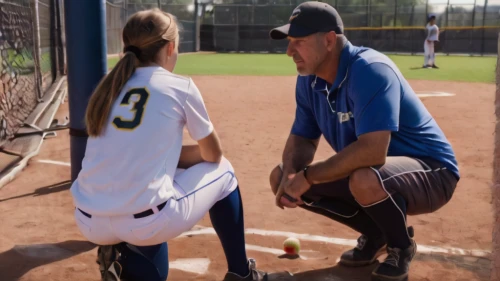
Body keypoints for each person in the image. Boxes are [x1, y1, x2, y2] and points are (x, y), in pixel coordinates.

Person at [70, 9, 271, 281]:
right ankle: (241, 273)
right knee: (224, 172)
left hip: (88, 219)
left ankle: (127, 262)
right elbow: (213, 155)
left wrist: (168, 158)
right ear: (170, 48)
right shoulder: (180, 86)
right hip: (146, 223)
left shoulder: (109, 86)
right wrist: (183, 157)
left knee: (152, 184)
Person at [267, 2, 459, 281]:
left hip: (433, 172)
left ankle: (401, 246)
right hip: (375, 173)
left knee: (363, 177)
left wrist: (309, 175)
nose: (289, 51)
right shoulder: (310, 81)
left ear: (329, 40)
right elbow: (302, 138)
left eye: (299, 42)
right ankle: (376, 234)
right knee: (280, 176)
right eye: (289, 42)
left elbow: (372, 152)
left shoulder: (370, 70)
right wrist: (292, 173)